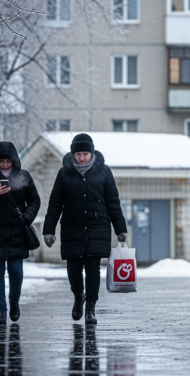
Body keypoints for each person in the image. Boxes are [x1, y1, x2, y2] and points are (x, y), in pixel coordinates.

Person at [43, 133, 127, 324]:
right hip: (72, 227)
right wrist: (49, 230)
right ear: (73, 154)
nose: (81, 157)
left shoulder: (104, 172)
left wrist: (120, 228)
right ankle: (78, 295)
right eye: (78, 154)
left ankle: (90, 307)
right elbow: (55, 203)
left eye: (85, 154)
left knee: (93, 269)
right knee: (73, 270)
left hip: (97, 227)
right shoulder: (64, 173)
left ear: (91, 153)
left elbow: (113, 202)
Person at [0, 142, 41, 323]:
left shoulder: (23, 176)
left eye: (8, 161)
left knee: (16, 271)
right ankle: (1, 311)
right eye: (1, 161)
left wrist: (27, 217)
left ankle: (14, 302)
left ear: (14, 161)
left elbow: (35, 200)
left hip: (17, 233)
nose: (4, 165)